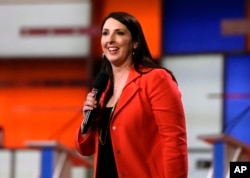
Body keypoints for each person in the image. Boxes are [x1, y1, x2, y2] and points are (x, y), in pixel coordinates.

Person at [75, 11, 188, 178]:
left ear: (135, 42)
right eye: (105, 33)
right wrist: (88, 121)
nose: (110, 39)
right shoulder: (104, 89)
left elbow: (174, 141)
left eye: (119, 33)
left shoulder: (156, 79)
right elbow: (84, 148)